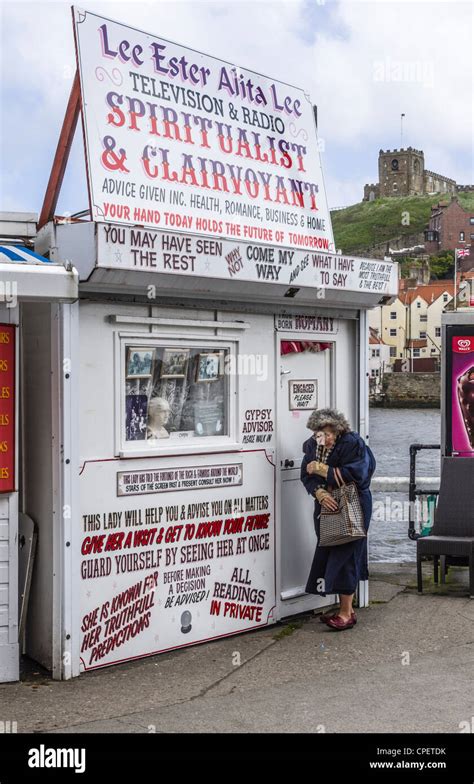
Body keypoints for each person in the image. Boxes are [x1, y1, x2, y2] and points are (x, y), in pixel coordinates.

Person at [300, 408, 376, 631]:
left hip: (354, 504)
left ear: (337, 430)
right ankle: (347, 610)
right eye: (318, 434)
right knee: (332, 550)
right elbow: (306, 475)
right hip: (326, 505)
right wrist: (319, 493)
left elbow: (359, 474)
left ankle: (345, 614)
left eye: (327, 434)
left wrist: (323, 469)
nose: (323, 439)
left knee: (348, 553)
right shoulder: (312, 445)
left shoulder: (353, 443)